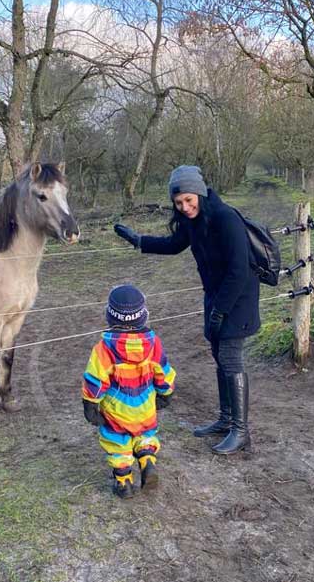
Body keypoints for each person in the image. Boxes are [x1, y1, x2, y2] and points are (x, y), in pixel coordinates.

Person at [114, 165, 259, 455]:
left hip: (238, 298)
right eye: (179, 203)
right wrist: (139, 241)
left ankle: (241, 432)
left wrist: (221, 310)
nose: (185, 207)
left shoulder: (226, 218)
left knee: (230, 358)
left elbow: (239, 270)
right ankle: (226, 419)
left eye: (189, 201)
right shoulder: (193, 221)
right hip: (215, 297)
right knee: (219, 356)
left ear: (201, 193)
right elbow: (173, 244)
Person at [82, 284, 176, 499]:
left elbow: (95, 380)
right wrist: (165, 393)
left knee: (118, 441)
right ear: (143, 315)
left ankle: (123, 481)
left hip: (117, 409)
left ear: (110, 316)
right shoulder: (153, 344)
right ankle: (147, 460)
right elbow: (163, 370)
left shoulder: (103, 349)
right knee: (145, 434)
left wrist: (90, 405)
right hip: (145, 405)